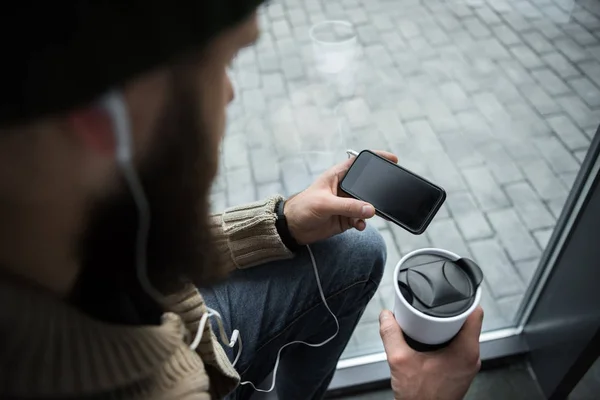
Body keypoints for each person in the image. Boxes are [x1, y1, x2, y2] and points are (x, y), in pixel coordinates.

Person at [0, 2, 482, 399]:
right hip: (183, 363)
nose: (229, 95)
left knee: (356, 250)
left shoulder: (47, 237)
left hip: (176, 316)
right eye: (223, 63)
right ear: (105, 113)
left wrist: (282, 223)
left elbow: (149, 250)